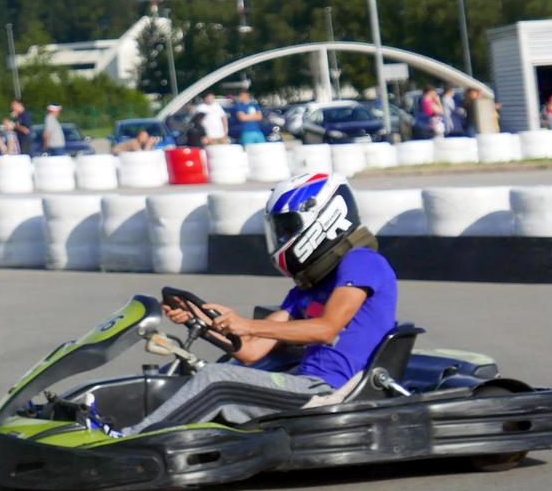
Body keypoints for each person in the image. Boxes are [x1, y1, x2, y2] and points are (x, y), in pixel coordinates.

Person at [96, 173, 397, 437]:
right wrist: (202, 322)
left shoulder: (363, 262)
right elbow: (251, 350)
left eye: (287, 227)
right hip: (302, 384)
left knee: (217, 379)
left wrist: (246, 324)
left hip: (331, 391)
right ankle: (138, 431)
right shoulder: (306, 288)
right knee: (213, 371)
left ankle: (130, 440)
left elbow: (325, 329)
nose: (282, 236)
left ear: (325, 217)